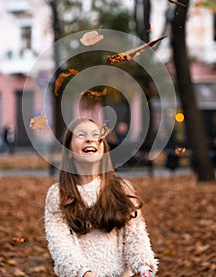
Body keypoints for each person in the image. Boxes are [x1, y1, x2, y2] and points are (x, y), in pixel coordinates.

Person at [45, 118, 158, 277]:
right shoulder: (58, 194)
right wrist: (85, 273)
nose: (90, 139)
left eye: (95, 135)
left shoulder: (122, 189)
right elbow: (61, 246)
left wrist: (145, 268)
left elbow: (136, 237)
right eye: (81, 135)